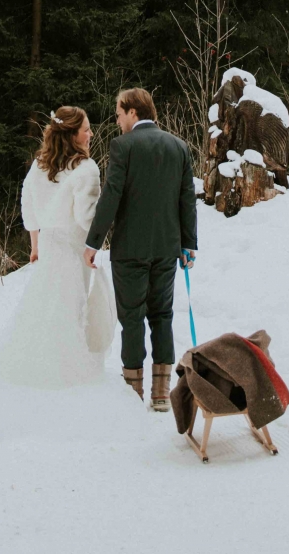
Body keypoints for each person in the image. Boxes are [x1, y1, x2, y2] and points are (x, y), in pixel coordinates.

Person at [84, 88, 197, 412]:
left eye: (119, 114)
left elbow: (111, 197)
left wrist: (94, 242)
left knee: (132, 317)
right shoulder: (179, 147)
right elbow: (186, 200)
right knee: (162, 315)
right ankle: (161, 394)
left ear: (133, 112)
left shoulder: (124, 146)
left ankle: (133, 395)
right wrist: (188, 244)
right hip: (166, 248)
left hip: (130, 249)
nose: (117, 120)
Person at [0, 106, 116, 389]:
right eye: (86, 130)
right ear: (73, 135)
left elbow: (29, 207)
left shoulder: (39, 165)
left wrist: (35, 247)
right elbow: (85, 218)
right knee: (72, 310)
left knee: (44, 308)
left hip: (48, 246)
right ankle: (69, 377)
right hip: (73, 249)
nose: (91, 134)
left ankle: (35, 371)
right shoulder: (87, 169)